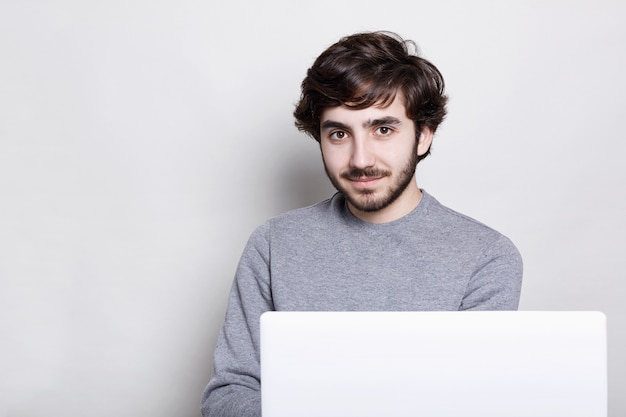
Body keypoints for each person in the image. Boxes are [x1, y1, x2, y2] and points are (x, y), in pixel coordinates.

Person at [200, 31, 523, 417]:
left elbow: (476, 404)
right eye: (338, 133)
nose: (360, 159)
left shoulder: (486, 257)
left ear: (423, 135)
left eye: (382, 129)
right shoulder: (274, 244)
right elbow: (230, 393)